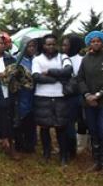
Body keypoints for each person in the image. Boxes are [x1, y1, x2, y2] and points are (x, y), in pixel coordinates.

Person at [76, 30, 103, 175]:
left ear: (102, 42)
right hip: (89, 101)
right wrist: (87, 95)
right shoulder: (86, 59)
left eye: (98, 41)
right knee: (93, 130)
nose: (95, 43)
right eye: (92, 41)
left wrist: (99, 94)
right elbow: (80, 78)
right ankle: (96, 161)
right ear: (89, 43)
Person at [31, 34, 73, 166]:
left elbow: (68, 71)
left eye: (53, 44)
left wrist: (49, 71)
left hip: (60, 96)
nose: (51, 46)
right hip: (42, 96)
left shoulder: (63, 57)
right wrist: (56, 78)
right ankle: (46, 153)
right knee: (44, 127)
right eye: (48, 44)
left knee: (61, 127)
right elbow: (36, 77)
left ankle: (63, 156)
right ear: (43, 46)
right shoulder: (37, 59)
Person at [62, 34, 85, 159]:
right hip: (65, 94)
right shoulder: (62, 58)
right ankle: (68, 148)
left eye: (66, 45)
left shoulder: (80, 60)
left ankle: (70, 150)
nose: (63, 47)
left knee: (70, 123)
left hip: (73, 96)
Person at [13, 37, 37, 154]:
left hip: (34, 93)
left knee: (31, 119)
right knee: (20, 117)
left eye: (34, 46)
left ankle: (30, 144)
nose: (32, 49)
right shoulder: (16, 59)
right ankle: (19, 144)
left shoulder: (36, 60)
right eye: (29, 46)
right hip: (21, 93)